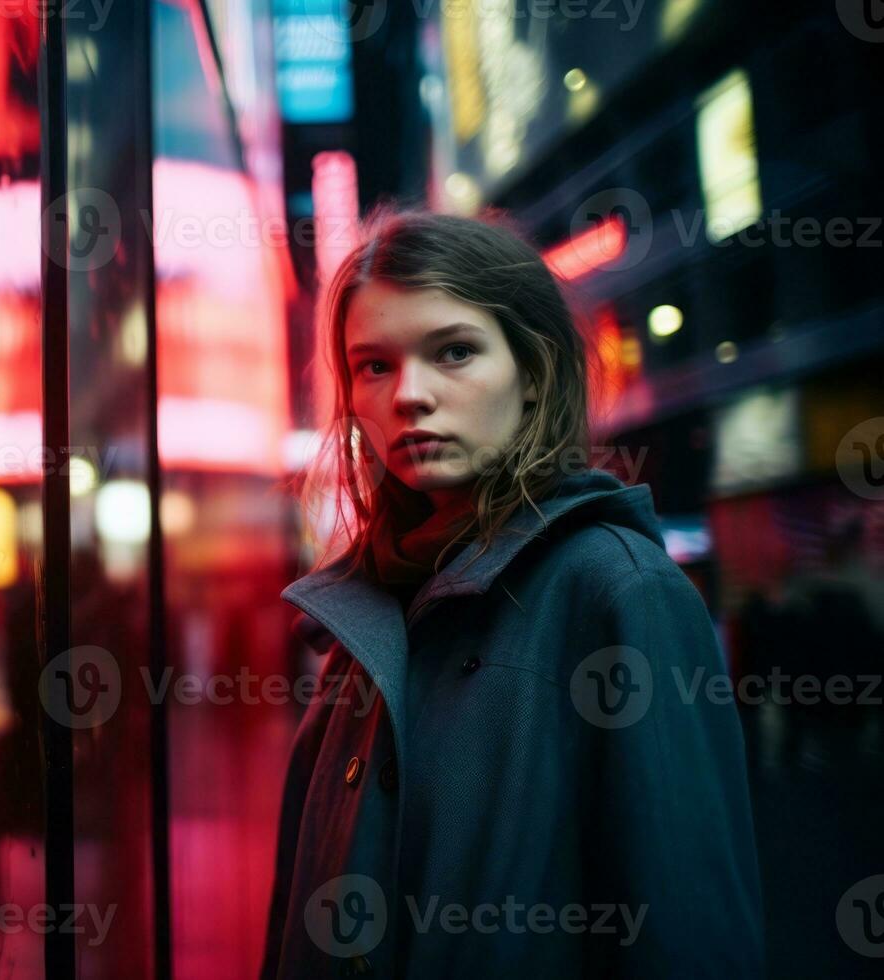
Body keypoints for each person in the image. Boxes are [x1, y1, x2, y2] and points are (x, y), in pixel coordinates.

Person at [260, 208, 764, 978]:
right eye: (374, 365)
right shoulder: (368, 615)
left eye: (454, 352)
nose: (410, 396)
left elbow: (689, 935)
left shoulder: (618, 591)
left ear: (534, 373)